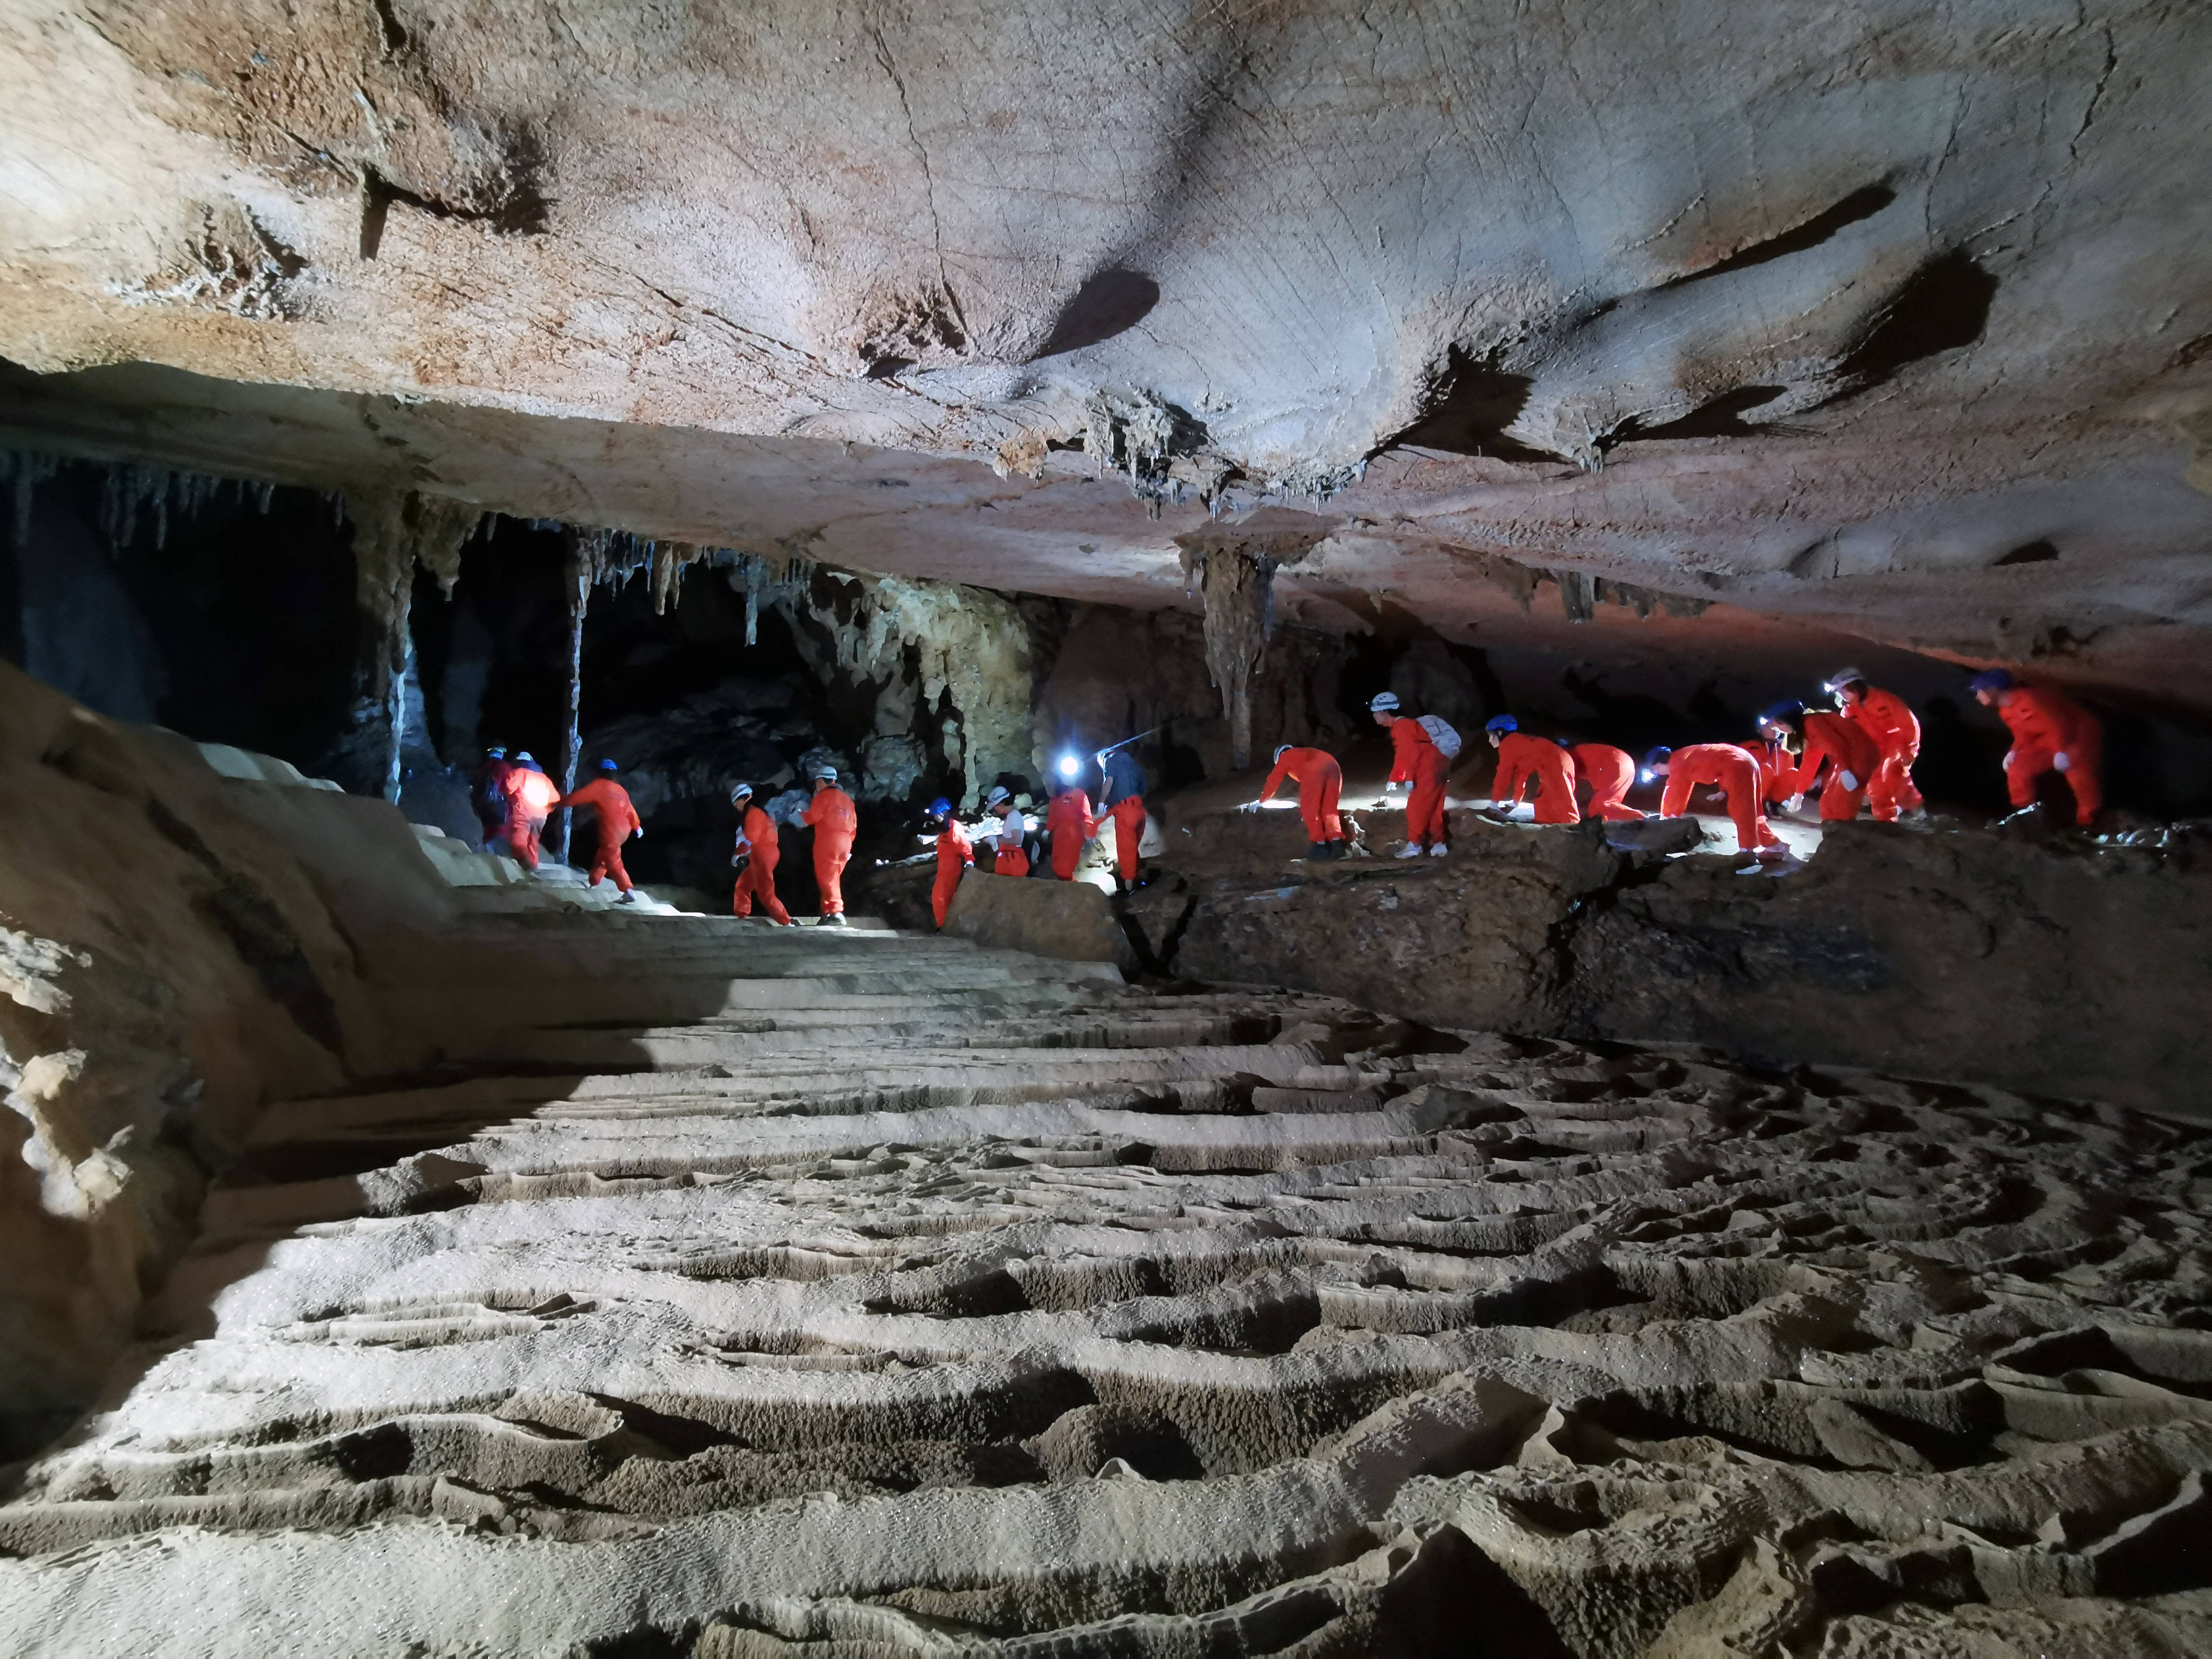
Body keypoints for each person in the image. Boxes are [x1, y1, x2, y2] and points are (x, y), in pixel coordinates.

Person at [1971, 668, 2104, 825]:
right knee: (2018, 766)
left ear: (1993, 689)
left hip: (2078, 733)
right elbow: (2023, 734)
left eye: (1980, 691)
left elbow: (2060, 724)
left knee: (2076, 768)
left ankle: (2090, 819)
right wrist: (2014, 751)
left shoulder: (2031, 699)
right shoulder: (2005, 710)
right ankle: (2024, 813)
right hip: (2051, 737)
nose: (1978, 696)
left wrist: (2061, 751)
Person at [1646, 744, 1787, 858]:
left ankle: (1747, 851)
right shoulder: (1684, 755)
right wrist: (1722, 790)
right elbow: (1720, 761)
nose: (1659, 774)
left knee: (1741, 808)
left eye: (1657, 770)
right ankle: (1774, 845)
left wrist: (1666, 818)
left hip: (1738, 765)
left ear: (1659, 764)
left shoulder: (1677, 763)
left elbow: (1675, 791)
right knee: (1753, 808)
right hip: (1745, 761)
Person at [1758, 700, 1880, 823]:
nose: (1777, 729)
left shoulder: (1813, 723)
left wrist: (1846, 771)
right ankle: (1833, 831)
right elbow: (1811, 761)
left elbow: (1839, 745)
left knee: (1841, 802)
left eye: (1776, 725)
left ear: (1787, 719)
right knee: (1827, 802)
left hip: (1861, 755)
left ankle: (1841, 832)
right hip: (1848, 760)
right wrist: (1799, 793)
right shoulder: (1808, 729)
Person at [1828, 668, 1925, 821]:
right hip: (1872, 753)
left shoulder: (1885, 699)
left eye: (1842, 690)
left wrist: (1910, 752)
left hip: (1896, 746)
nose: (1841, 695)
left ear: (1855, 686)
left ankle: (1920, 815)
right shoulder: (1848, 711)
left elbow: (1909, 724)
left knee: (1895, 777)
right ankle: (1886, 823)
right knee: (1876, 789)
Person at [1371, 691, 1450, 857]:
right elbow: (1403, 757)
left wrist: (1409, 779)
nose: (1374, 716)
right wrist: (1395, 779)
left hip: (1428, 768)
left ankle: (1415, 846)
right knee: (1434, 808)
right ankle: (1439, 844)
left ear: (1383, 712)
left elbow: (1410, 754)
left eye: (1375, 713)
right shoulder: (1406, 724)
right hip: (1439, 765)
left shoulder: (1401, 727)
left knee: (1416, 808)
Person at [556, 759, 643, 902]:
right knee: (605, 854)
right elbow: (630, 810)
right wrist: (637, 826)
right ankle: (593, 882)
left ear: (599, 772)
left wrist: (559, 803)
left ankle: (628, 890)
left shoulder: (599, 786)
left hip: (611, 830)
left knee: (613, 859)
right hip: (624, 829)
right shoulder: (620, 790)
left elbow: (577, 798)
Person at [1484, 715, 1577, 825]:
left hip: (1555, 763)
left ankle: (1573, 830)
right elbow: (1522, 774)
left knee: (1563, 803)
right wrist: (1516, 802)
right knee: (1544, 804)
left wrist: (1494, 803)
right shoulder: (1519, 744)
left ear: (1500, 733)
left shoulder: (1508, 744)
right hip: (1560, 760)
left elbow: (1503, 775)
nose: (1490, 740)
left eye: (1491, 735)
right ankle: (1550, 829)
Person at [1258, 743, 1346, 858]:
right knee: (1330, 809)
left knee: (1309, 809)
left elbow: (1274, 779)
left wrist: (1263, 800)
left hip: (1315, 770)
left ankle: (1320, 845)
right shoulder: (1303, 753)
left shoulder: (1286, 756)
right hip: (1333, 766)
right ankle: (1337, 843)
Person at [801, 763, 857, 926]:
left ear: (822, 781)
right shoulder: (847, 800)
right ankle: (827, 913)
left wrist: (799, 814)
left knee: (827, 878)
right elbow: (854, 825)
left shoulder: (823, 797)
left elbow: (813, 817)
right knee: (832, 878)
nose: (816, 785)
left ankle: (836, 912)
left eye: (817, 781)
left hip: (828, 841)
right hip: (846, 843)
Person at [728, 782, 791, 925]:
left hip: (764, 856)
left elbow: (751, 839)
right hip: (762, 855)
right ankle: (742, 916)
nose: (736, 808)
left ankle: (786, 922)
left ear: (741, 799)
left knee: (766, 894)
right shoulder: (761, 813)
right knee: (743, 885)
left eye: (735, 803)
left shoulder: (753, 813)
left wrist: (738, 854)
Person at [1095, 745, 1149, 888]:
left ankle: (1129, 887)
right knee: (1133, 847)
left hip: (1126, 812)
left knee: (1126, 850)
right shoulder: (1130, 761)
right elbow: (1144, 785)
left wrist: (1101, 804)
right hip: (1139, 810)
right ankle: (1139, 878)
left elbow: (1109, 782)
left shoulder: (1110, 761)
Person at [498, 750, 562, 871]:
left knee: (519, 840)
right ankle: (534, 868)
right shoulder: (544, 778)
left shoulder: (519, 772)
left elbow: (508, 787)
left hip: (524, 812)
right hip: (541, 816)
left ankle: (524, 866)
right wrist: (547, 810)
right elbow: (555, 798)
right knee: (533, 843)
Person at [922, 797, 972, 926]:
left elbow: (965, 847)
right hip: (944, 868)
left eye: (937, 816)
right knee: (943, 898)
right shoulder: (945, 829)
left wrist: (970, 861)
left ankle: (943, 926)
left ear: (943, 813)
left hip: (951, 869)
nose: (935, 819)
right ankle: (945, 925)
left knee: (940, 897)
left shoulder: (955, 830)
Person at [1568, 741, 1645, 822]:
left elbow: (1568, 781)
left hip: (1612, 764)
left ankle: (1640, 819)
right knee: (1609, 804)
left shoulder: (1568, 755)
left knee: (1599, 807)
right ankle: (1633, 822)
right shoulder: (1580, 750)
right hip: (1627, 764)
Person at [1046, 775, 1097, 879]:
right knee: (1057, 859)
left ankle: (1067, 882)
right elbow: (1053, 816)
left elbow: (1087, 816)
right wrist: (1047, 830)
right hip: (1059, 834)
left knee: (1068, 861)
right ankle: (1064, 882)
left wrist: (1089, 834)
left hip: (1073, 834)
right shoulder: (1057, 797)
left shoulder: (1079, 795)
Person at [469, 746, 515, 852]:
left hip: (481, 805)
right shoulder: (505, 767)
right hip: (498, 805)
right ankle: (491, 855)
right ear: (501, 754)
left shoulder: (484, 767)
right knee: (498, 831)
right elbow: (510, 787)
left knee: (488, 829)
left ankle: (486, 851)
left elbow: (472, 782)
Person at [980, 785, 1031, 877]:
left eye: (995, 807)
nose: (994, 810)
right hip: (1010, 857)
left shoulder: (1014, 816)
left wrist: (996, 840)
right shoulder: (1011, 816)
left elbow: (1017, 840)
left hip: (1013, 859)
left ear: (1001, 804)